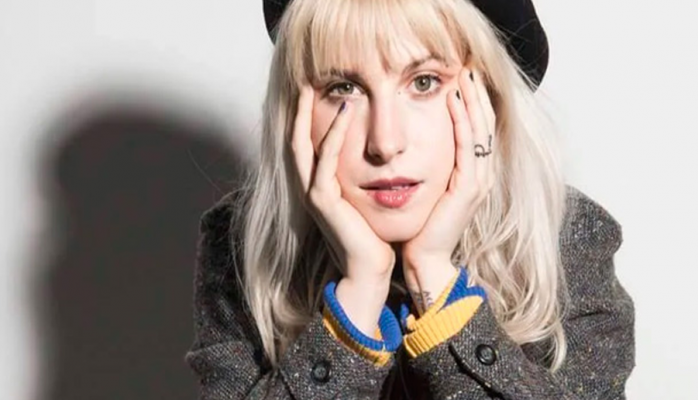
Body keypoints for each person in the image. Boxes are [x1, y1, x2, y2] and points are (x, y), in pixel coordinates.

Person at [184, 0, 635, 398]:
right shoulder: (242, 249)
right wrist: (358, 300)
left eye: (424, 82)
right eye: (343, 88)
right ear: (295, 113)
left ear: (489, 99)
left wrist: (434, 280)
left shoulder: (567, 243)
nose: (385, 142)